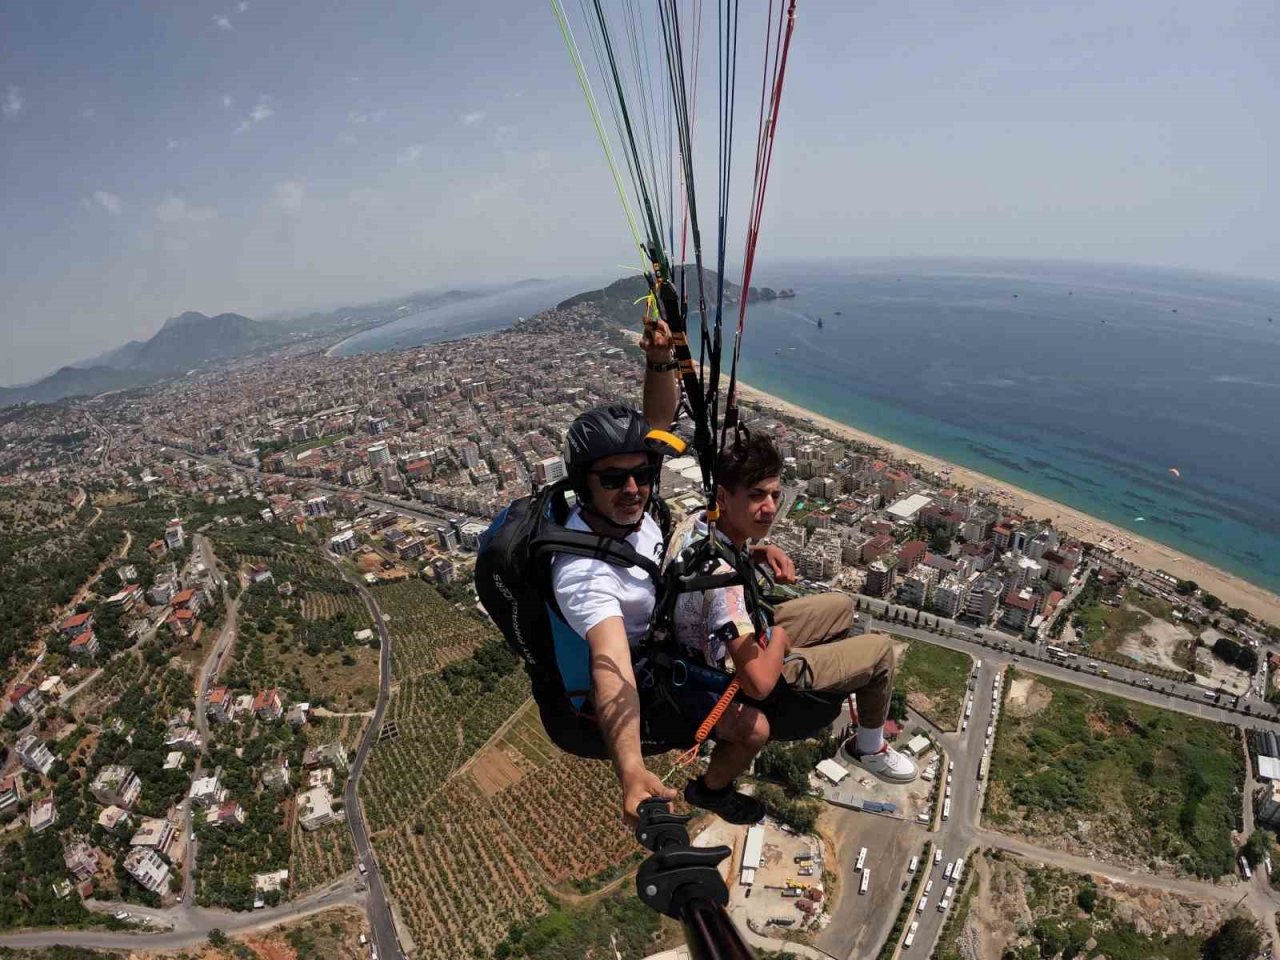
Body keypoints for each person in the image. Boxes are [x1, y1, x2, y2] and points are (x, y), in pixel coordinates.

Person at [667, 430, 918, 814]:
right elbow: (758, 684)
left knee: (841, 606)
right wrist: (781, 639)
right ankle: (867, 747)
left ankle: (823, 667)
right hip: (728, 673)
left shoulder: (698, 525)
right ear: (723, 497)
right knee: (881, 652)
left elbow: (720, 578)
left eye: (774, 495)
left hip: (718, 638)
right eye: (757, 496)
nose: (770, 508)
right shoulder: (722, 583)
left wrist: (757, 552)